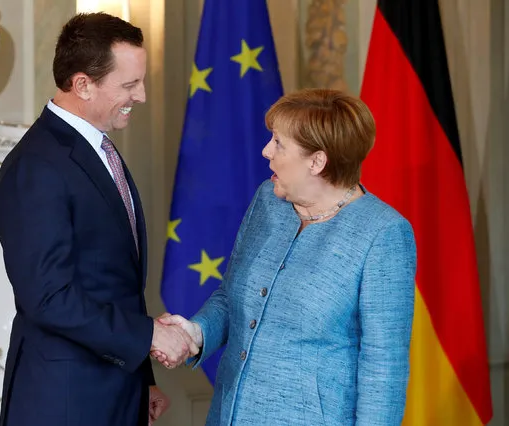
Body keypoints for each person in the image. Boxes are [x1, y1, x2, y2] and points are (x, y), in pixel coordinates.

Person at [153, 88, 417, 425]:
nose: (266, 151)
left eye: (278, 143)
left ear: (317, 161)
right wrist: (196, 333)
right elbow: (232, 296)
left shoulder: (383, 233)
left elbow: (384, 368)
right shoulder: (268, 200)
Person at [0, 12, 198, 426]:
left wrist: (144, 377)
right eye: (129, 84)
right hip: (64, 401)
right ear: (82, 84)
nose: (141, 95)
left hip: (116, 390)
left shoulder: (97, 149)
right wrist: (149, 336)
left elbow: (115, 285)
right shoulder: (37, 165)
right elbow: (48, 297)